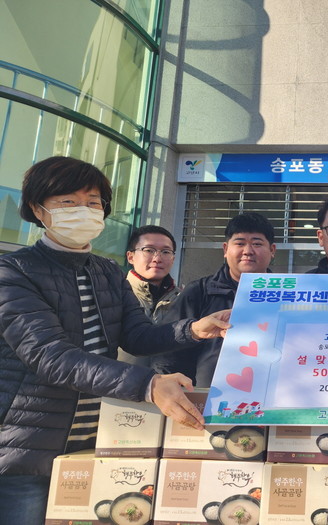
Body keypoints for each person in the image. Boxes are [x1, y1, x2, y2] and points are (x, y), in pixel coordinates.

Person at [0, 156, 230, 523]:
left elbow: (137, 336)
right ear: (37, 209)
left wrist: (194, 329)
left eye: (93, 202)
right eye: (68, 202)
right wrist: (149, 385)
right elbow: (50, 356)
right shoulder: (13, 272)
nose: (84, 211)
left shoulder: (106, 271)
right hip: (29, 447)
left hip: (96, 438)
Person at [153, 212, 277, 387]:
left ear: (272, 250)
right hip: (205, 397)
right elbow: (168, 349)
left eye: (257, 243)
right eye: (240, 243)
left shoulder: (288, 295)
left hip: (272, 395)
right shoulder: (199, 291)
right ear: (225, 249)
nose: (248, 251)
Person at [118, 225, 182, 367]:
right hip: (119, 378)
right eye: (149, 250)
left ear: (173, 259)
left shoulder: (183, 299)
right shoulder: (113, 294)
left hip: (169, 379)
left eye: (166, 252)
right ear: (130, 256)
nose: (157, 258)